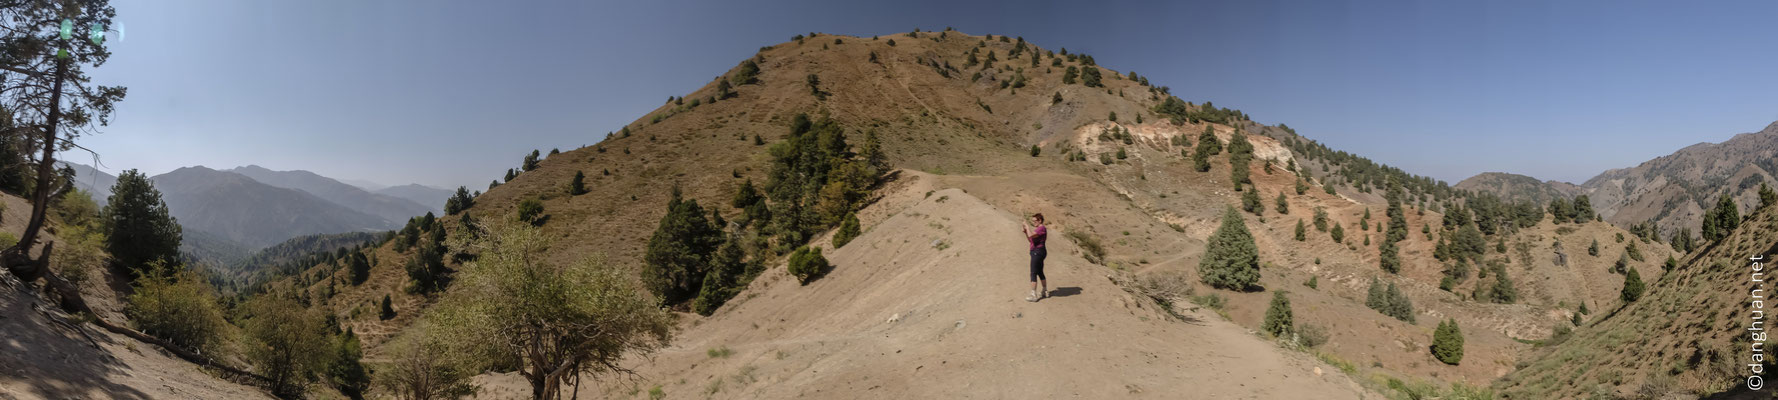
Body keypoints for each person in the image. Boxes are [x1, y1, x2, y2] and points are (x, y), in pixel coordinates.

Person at [1023, 213, 1048, 302]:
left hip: (1037, 252)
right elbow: (1030, 240)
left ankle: (1033, 295)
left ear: (1040, 220)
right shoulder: (1038, 229)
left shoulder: (1041, 228)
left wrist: (1027, 227)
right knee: (1040, 271)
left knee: (1033, 273)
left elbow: (1031, 235)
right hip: (1038, 252)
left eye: (1034, 221)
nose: (1033, 223)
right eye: (1032, 221)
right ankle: (1044, 291)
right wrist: (1026, 231)